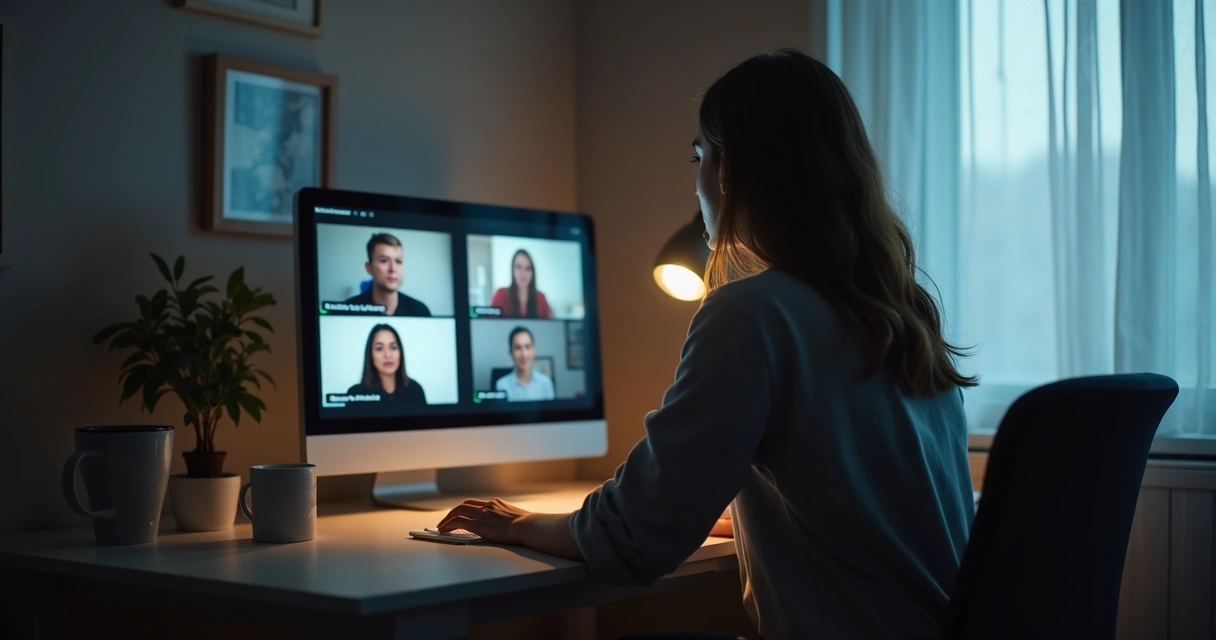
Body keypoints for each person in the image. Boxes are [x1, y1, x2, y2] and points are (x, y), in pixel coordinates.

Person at [436, 49, 977, 640]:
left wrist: (516, 523)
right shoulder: (900, 313)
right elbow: (863, 503)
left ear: (730, 171)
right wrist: (734, 516)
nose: (694, 179)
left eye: (699, 155)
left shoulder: (752, 312)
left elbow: (633, 537)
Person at [344, 233, 432, 317]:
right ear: (369, 268)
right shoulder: (348, 309)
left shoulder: (420, 311)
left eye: (398, 261)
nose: (393, 269)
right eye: (384, 260)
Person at [346, 324, 427, 405]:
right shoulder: (355, 394)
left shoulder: (415, 390)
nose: (388, 355)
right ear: (370, 354)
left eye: (393, 347)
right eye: (379, 348)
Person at [495, 327, 555, 401]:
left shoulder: (546, 383)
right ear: (511, 353)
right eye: (517, 348)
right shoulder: (502, 385)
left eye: (527, 347)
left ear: (534, 350)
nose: (524, 354)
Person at [489, 249, 553, 318]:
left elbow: (549, 326)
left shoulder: (541, 297)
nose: (523, 273)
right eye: (519, 267)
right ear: (512, 270)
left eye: (527, 268)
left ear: (532, 272)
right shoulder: (501, 294)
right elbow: (491, 324)